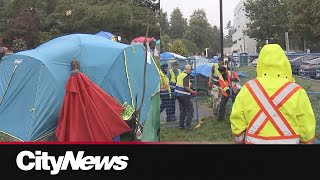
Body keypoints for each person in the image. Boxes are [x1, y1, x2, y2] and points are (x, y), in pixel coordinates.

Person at [230, 44, 316, 144]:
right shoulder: (297, 91)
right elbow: (306, 123)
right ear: (284, 63)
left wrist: (239, 139)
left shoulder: (248, 88)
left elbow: (237, 118)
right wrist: (306, 141)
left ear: (260, 63)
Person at [175, 64, 197, 131]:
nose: (190, 71)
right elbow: (185, 86)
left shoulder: (180, 75)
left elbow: (180, 83)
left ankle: (181, 126)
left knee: (182, 111)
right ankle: (188, 126)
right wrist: (193, 92)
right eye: (190, 70)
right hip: (184, 95)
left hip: (178, 95)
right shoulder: (186, 75)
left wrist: (189, 84)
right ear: (187, 69)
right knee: (190, 110)